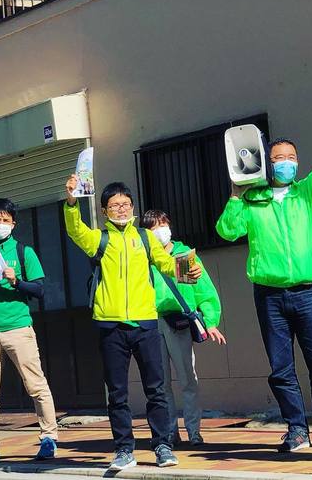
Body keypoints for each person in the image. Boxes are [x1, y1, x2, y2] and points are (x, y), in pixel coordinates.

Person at [216, 98, 312, 453]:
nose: (285, 163)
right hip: (269, 296)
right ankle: (296, 430)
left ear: (297, 162)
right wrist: (236, 195)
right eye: (278, 158)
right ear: (267, 163)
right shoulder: (253, 201)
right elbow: (227, 231)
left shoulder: (308, 193)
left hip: (307, 293)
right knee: (281, 368)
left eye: (291, 158)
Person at [64, 175, 202, 471]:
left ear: (133, 207)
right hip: (110, 325)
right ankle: (124, 449)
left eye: (126, 204)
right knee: (117, 393)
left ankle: (162, 445)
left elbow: (165, 263)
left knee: (156, 389)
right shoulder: (99, 239)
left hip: (145, 323)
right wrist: (72, 202)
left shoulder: (145, 237)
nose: (122, 209)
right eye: (115, 205)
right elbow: (75, 231)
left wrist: (187, 269)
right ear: (104, 211)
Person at [0, 198, 58, 468]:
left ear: (13, 224)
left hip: (18, 328)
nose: (0, 224)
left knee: (36, 385)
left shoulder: (23, 252)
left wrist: (16, 280)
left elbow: (39, 289)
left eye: (5, 220)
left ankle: (49, 437)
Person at [141, 209, 226, 447]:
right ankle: (169, 432)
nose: (160, 231)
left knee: (188, 378)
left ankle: (194, 431)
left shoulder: (184, 255)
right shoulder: (143, 258)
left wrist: (211, 321)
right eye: (153, 227)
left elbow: (203, 291)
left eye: (163, 224)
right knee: (161, 384)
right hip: (151, 322)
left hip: (178, 321)